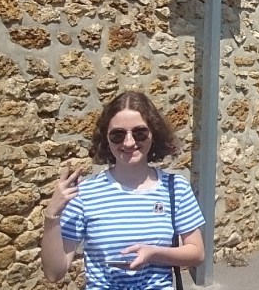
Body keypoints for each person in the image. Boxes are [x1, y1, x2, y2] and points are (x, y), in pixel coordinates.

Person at [41, 91, 206, 289]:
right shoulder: (84, 194)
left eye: (139, 133)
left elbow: (197, 253)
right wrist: (52, 215)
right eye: (118, 135)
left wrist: (155, 253)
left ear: (153, 134)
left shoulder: (175, 187)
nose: (129, 142)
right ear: (106, 139)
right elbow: (54, 273)